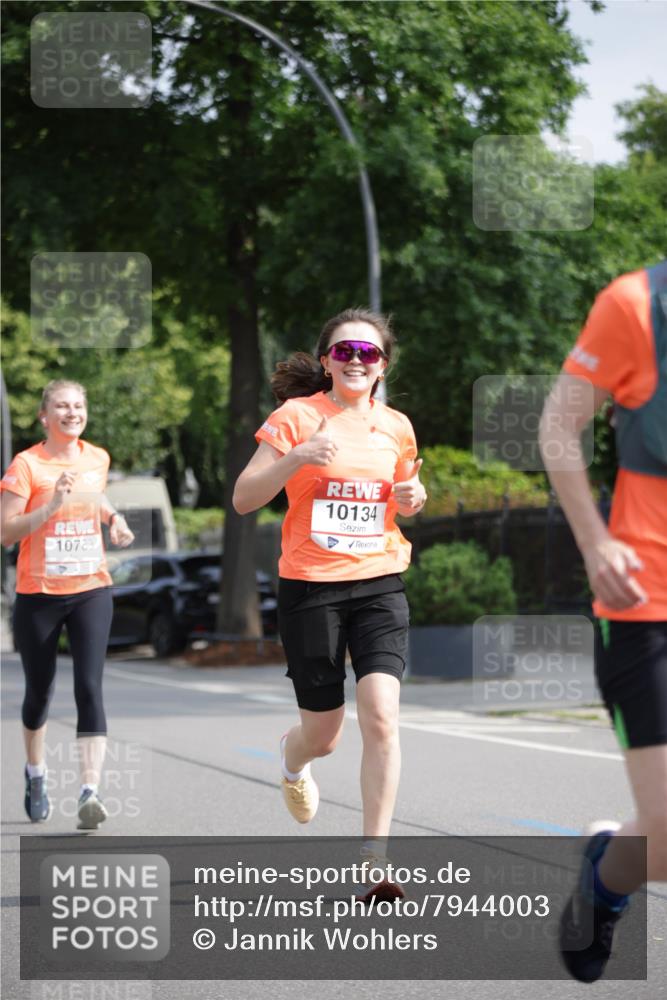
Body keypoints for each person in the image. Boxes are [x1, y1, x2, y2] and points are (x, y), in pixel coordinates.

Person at [233, 308, 426, 896]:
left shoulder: (396, 425)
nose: (356, 361)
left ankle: (374, 860)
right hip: (312, 587)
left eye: (368, 354)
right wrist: (296, 458)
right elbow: (244, 498)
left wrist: (415, 497)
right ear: (326, 361)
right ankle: (293, 760)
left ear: (382, 366)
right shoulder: (296, 417)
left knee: (382, 717)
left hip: (379, 583)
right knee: (326, 734)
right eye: (344, 352)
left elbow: (405, 496)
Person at [539, 261, 667, 982]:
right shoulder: (634, 306)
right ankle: (604, 879)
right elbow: (558, 425)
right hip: (646, 600)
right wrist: (595, 542)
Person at [0, 380, 134, 830]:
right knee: (39, 693)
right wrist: (52, 503)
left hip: (91, 587)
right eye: (62, 406)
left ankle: (88, 791)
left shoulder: (97, 457)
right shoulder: (26, 465)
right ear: (44, 416)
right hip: (39, 594)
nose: (72, 412)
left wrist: (113, 519)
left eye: (78, 405)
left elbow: (95, 496)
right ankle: (35, 772)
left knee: (89, 687)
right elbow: (6, 531)